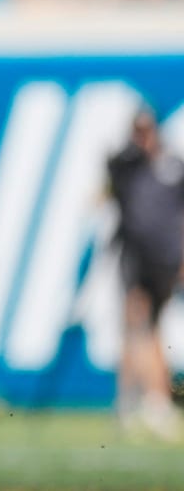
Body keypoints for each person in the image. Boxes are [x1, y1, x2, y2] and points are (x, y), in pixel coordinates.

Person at [106, 108, 184, 441]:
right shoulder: (129, 166)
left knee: (146, 327)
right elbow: (114, 172)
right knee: (135, 324)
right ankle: (133, 401)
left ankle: (154, 399)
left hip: (163, 259)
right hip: (135, 257)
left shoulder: (172, 168)